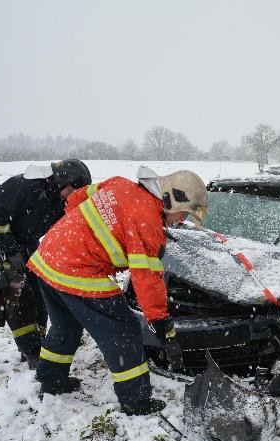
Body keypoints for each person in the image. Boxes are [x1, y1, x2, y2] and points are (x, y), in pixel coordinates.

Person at [27, 167, 208, 416]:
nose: (182, 221)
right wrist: (161, 323)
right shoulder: (148, 222)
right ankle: (135, 400)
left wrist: (79, 232)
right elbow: (146, 279)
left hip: (48, 257)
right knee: (123, 330)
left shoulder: (121, 184)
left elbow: (76, 198)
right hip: (78, 269)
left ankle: (51, 379)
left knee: (64, 324)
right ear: (169, 199)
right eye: (183, 214)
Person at [0, 159, 92, 368]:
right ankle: (31, 350)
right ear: (61, 181)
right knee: (18, 297)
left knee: (40, 293)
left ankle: (41, 339)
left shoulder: (58, 200)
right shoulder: (23, 187)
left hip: (23, 244)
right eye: (73, 190)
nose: (73, 197)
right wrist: (11, 253)